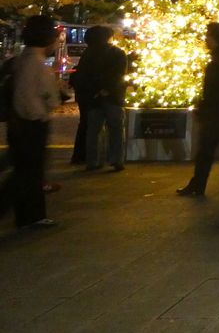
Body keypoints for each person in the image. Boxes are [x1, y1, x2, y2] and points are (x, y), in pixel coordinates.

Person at [0, 16, 60, 228]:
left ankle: (27, 215)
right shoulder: (38, 64)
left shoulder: (20, 60)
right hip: (33, 122)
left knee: (23, 170)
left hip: (18, 121)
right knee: (29, 172)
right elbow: (51, 98)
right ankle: (31, 215)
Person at [177, 23, 219, 196]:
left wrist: (205, 106)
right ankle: (198, 184)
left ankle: (198, 184)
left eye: (207, 35)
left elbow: (216, 88)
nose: (205, 39)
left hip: (218, 112)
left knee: (209, 150)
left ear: (214, 38)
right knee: (209, 150)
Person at [77, 26, 129, 172]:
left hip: (94, 98)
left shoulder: (88, 53)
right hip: (113, 96)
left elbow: (83, 75)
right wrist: (107, 89)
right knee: (116, 129)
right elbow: (119, 75)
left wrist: (95, 91)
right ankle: (116, 160)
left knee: (94, 131)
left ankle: (93, 161)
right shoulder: (118, 53)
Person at [68, 26, 104, 165]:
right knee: (89, 125)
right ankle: (85, 156)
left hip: (83, 94)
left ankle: (80, 155)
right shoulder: (95, 54)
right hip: (91, 95)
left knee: (85, 124)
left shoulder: (87, 53)